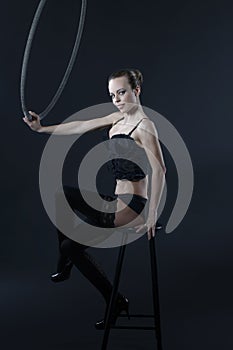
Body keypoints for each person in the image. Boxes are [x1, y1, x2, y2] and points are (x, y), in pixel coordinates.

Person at [23, 68, 166, 329]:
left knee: (69, 242)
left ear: (136, 90)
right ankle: (115, 299)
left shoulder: (145, 126)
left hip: (132, 207)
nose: (117, 99)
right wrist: (42, 129)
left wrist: (153, 214)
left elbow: (160, 170)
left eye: (121, 92)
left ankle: (76, 269)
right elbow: (80, 125)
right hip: (113, 200)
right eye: (112, 95)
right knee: (63, 206)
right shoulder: (115, 119)